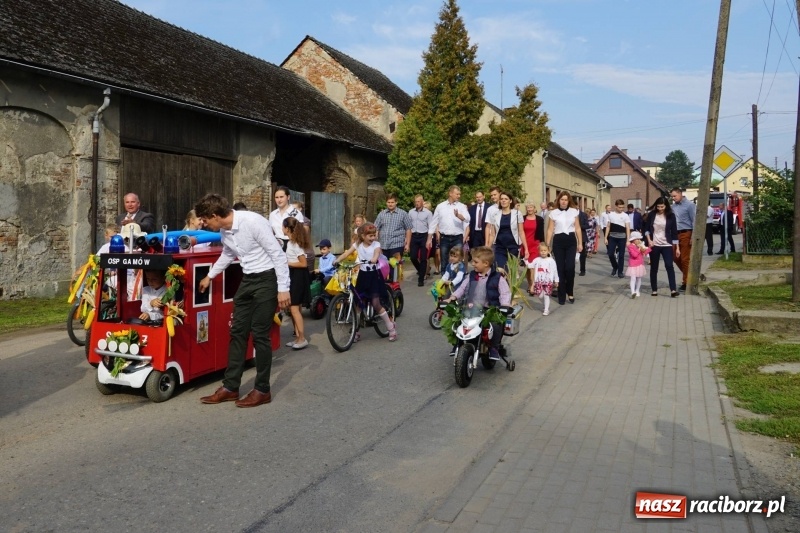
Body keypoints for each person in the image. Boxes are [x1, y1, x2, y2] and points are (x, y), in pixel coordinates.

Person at [195, 193, 290, 408]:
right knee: (237, 331)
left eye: (205, 219)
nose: (204, 224)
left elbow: (277, 254)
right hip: (248, 279)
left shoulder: (253, 222)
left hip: (267, 278)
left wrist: (283, 288)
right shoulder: (224, 230)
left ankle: (262, 390)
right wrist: (210, 276)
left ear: (214, 215)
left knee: (259, 334)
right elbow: (228, 254)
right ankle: (230, 387)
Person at [445, 246, 511, 360]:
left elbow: (505, 293)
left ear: (486, 263)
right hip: (471, 308)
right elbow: (462, 288)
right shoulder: (471, 276)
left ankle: (494, 348)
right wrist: (452, 297)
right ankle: (457, 343)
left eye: (475, 262)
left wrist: (505, 305)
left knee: (496, 324)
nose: (472, 264)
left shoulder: (497, 278)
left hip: (490, 309)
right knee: (455, 321)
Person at [334, 223, 397, 341]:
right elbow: (347, 253)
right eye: (370, 236)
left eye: (374, 235)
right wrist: (337, 260)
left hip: (374, 276)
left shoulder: (376, 245)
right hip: (363, 276)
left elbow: (377, 252)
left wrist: (374, 258)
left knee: (376, 303)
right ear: (362, 236)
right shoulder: (357, 244)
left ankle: (391, 327)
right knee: (358, 303)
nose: (373, 238)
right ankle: (355, 331)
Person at [546, 192, 582, 305]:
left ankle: (570, 291)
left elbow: (578, 228)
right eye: (562, 199)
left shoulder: (574, 212)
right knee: (560, 269)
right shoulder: (553, 213)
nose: (564, 202)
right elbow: (550, 230)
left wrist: (580, 243)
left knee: (570, 268)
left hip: (571, 240)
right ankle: (561, 294)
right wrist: (547, 245)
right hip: (558, 241)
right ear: (558, 200)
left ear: (568, 201)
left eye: (566, 200)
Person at [282, 217, 310, 350]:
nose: (282, 229)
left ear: (287, 228)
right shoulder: (290, 242)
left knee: (294, 308)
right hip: (293, 274)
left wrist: (287, 263)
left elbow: (303, 263)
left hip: (298, 275)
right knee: (294, 308)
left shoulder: (295, 244)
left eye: (283, 226)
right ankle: (297, 337)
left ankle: (302, 338)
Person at [428, 185, 470, 273]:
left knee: (458, 260)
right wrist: (429, 239)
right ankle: (444, 282)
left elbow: (467, 218)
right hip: (444, 238)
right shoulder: (440, 206)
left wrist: (458, 215)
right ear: (450, 194)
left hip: (457, 237)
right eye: (457, 194)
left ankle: (457, 282)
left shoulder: (462, 206)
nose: (459, 196)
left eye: (459, 194)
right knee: (444, 262)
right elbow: (433, 223)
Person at [644, 196, 680, 297]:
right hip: (654, 244)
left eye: (662, 207)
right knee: (654, 267)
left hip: (667, 244)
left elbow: (674, 232)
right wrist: (649, 240)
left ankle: (673, 290)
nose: (660, 209)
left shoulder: (671, 216)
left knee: (669, 265)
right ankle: (654, 289)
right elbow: (646, 229)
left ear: (666, 206)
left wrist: (677, 247)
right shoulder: (652, 214)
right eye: (658, 207)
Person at [487, 191, 528, 271]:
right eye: (501, 199)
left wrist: (526, 249)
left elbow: (521, 232)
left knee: (511, 272)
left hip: (513, 246)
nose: (503, 201)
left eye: (506, 199)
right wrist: (488, 247)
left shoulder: (517, 214)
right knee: (500, 270)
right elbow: (492, 234)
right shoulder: (495, 214)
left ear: (510, 201)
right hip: (500, 247)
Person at [374, 193, 412, 261]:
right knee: (384, 267)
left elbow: (408, 229)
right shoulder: (382, 214)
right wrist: (375, 241)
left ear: (396, 202)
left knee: (395, 268)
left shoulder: (403, 214)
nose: (390, 204)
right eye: (388, 202)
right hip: (383, 245)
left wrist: (407, 244)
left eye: (392, 202)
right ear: (386, 203)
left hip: (397, 245)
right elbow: (376, 228)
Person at [670, 187, 695, 291]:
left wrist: (693, 236)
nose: (673, 198)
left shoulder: (690, 205)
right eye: (672, 196)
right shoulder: (673, 207)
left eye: (675, 196)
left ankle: (686, 282)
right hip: (675, 234)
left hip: (686, 233)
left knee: (685, 258)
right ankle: (689, 274)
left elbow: (694, 220)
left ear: (680, 194)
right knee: (675, 257)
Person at [269, 185, 304, 249]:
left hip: (293, 245)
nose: (279, 200)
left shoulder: (296, 213)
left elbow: (301, 233)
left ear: (288, 197)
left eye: (281, 197)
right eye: (276, 197)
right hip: (277, 246)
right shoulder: (272, 215)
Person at [528, 243, 558, 316]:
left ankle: (546, 309)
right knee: (540, 295)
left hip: (548, 281)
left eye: (545, 250)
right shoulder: (537, 260)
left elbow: (554, 271)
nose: (543, 252)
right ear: (539, 251)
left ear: (548, 251)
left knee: (546, 295)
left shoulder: (551, 261)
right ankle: (545, 304)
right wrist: (525, 261)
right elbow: (530, 265)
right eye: (541, 250)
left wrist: (556, 280)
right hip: (539, 281)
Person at [408, 195, 432, 287]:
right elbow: (408, 226)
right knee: (413, 257)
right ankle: (421, 270)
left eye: (418, 201)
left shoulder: (428, 213)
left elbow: (431, 226)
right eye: (416, 201)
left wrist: (429, 239)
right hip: (414, 235)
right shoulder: (411, 212)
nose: (417, 203)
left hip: (424, 236)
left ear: (422, 202)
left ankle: (421, 278)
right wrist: (407, 239)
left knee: (423, 258)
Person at [521, 201, 545, 290]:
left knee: (533, 265)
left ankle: (533, 285)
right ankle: (530, 283)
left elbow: (541, 233)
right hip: (525, 244)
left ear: (534, 209)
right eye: (528, 207)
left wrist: (543, 244)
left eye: (531, 207)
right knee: (527, 267)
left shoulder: (539, 219)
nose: (530, 209)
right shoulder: (522, 218)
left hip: (535, 244)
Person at [604, 199, 631, 278]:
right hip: (612, 236)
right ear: (616, 206)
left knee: (621, 255)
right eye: (620, 207)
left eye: (622, 207)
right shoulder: (611, 215)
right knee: (610, 253)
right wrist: (605, 238)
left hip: (622, 237)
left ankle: (620, 272)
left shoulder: (625, 215)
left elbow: (628, 228)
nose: (621, 209)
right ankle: (615, 266)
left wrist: (628, 239)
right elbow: (608, 226)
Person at [625, 231, 651, 298]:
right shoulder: (630, 246)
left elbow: (645, 252)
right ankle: (632, 292)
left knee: (639, 278)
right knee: (633, 278)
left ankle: (637, 290)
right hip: (633, 265)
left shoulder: (640, 246)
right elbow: (634, 255)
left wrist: (649, 247)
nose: (639, 240)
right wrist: (639, 249)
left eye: (639, 239)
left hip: (640, 264)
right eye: (638, 239)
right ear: (633, 240)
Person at [423, 201, 440, 277]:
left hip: (433, 237)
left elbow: (435, 226)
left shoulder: (433, 216)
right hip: (425, 237)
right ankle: (427, 270)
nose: (424, 209)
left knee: (436, 254)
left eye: (426, 207)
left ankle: (437, 268)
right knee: (426, 255)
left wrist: (437, 235)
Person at [574, 198, 590, 276]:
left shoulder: (583, 214)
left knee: (582, 254)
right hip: (572, 236)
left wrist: (579, 226)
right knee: (572, 254)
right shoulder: (569, 214)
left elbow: (587, 225)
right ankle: (571, 269)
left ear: (578, 206)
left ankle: (582, 270)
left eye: (575, 206)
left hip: (581, 236)